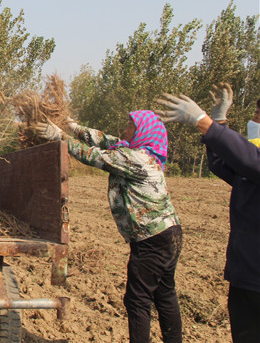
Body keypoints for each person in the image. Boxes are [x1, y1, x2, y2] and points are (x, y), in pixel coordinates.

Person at [35, 111, 182, 343]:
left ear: (143, 132)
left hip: (152, 240)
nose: (125, 130)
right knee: (164, 294)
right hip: (169, 234)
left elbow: (94, 156)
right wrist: (74, 127)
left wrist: (60, 136)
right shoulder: (142, 153)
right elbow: (106, 140)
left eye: (130, 126)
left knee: (137, 300)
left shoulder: (135, 158)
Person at [157, 83, 260, 342]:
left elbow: (249, 159)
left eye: (258, 118)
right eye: (255, 116)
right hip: (245, 273)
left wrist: (206, 123)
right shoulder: (250, 168)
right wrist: (219, 121)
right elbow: (224, 164)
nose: (254, 123)